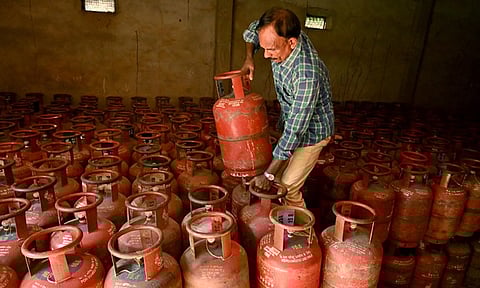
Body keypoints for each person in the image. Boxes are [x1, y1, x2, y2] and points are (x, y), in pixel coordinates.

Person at [241, 7, 334, 207]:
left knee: (287, 187)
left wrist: (268, 174)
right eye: (263, 48)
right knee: (276, 178)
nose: (265, 55)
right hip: (292, 122)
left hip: (312, 134)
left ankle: (300, 234)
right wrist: (249, 57)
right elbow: (252, 31)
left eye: (271, 49)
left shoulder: (306, 75)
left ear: (292, 42)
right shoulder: (286, 35)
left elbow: (295, 130)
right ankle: (279, 223)